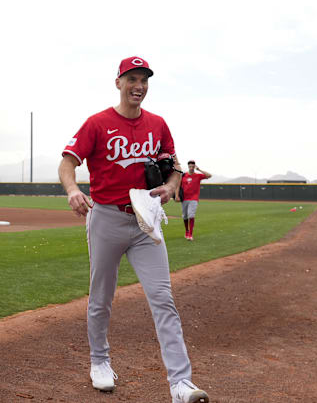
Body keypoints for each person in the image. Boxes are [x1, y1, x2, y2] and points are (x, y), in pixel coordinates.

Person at [58, 57, 209, 403]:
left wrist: (171, 188)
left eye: (143, 80)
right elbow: (67, 162)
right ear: (118, 83)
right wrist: (72, 189)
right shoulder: (97, 123)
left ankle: (181, 384)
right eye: (132, 79)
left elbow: (172, 167)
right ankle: (99, 362)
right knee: (101, 298)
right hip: (107, 218)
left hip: (146, 221)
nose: (138, 86)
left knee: (163, 299)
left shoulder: (158, 124)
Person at [177, 161, 212, 241]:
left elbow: (209, 175)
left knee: (191, 215)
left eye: (193, 167)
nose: (191, 168)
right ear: (188, 166)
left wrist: (199, 169)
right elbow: (178, 186)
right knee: (185, 216)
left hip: (194, 199)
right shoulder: (183, 175)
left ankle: (190, 234)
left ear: (194, 167)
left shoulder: (198, 175)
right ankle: (187, 231)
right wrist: (176, 196)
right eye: (190, 166)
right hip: (184, 198)